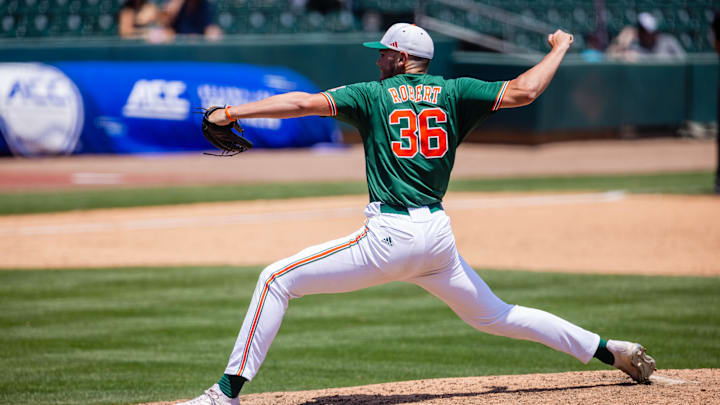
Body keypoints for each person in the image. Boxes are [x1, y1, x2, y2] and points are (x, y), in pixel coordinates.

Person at [180, 23, 657, 405]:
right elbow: (526, 92)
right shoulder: (454, 91)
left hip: (390, 235)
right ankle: (609, 350)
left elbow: (303, 104)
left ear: (402, 59)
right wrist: (559, 48)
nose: (378, 59)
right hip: (437, 239)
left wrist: (231, 113)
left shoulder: (371, 94)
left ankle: (224, 394)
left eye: (384, 53)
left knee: (274, 280)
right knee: (498, 315)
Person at [607, 12, 685, 62]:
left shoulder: (668, 42)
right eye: (643, 31)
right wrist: (621, 42)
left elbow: (684, 61)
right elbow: (608, 58)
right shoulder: (634, 45)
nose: (647, 35)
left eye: (650, 32)